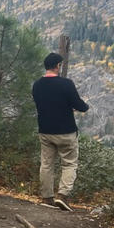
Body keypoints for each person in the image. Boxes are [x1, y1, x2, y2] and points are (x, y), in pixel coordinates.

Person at [32, 52, 89, 211]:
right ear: (58, 66)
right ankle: (62, 196)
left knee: (46, 164)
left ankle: (47, 198)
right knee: (69, 163)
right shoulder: (66, 84)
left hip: (45, 130)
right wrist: (83, 106)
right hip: (66, 131)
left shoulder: (37, 85)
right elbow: (79, 105)